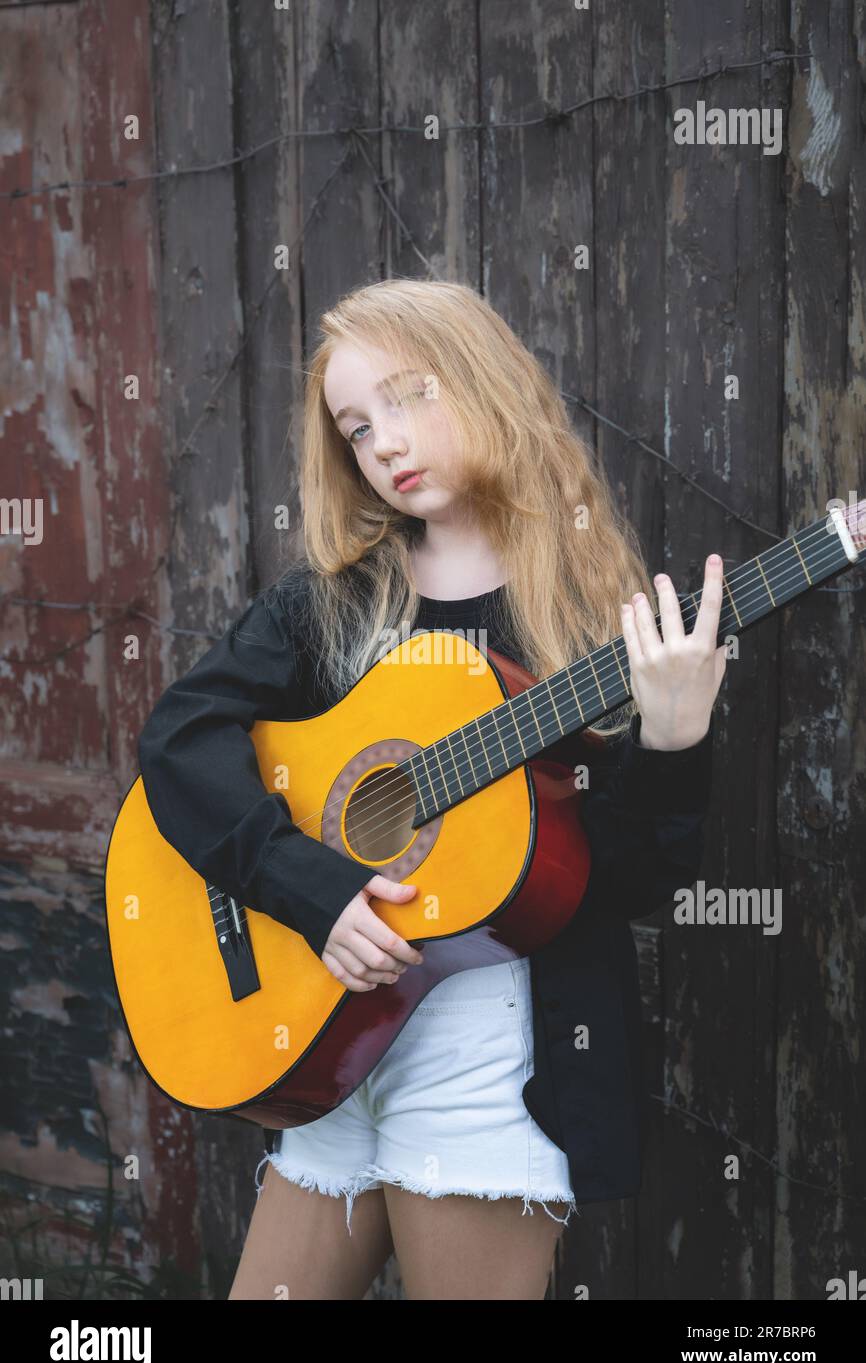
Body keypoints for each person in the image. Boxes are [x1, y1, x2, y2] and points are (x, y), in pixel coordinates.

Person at [137, 278, 724, 1300]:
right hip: (329, 1029)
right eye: (356, 428)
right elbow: (178, 737)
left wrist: (672, 742)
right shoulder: (335, 601)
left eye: (407, 398)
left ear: (483, 381)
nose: (383, 445)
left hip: (491, 1062)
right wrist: (306, 890)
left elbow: (627, 878)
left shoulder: (590, 611)